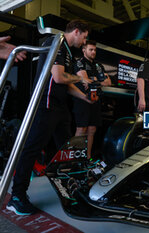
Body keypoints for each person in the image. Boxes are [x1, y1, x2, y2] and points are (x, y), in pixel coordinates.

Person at [7, 20, 92, 215]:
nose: (84, 41)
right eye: (84, 37)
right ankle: (17, 196)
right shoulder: (57, 42)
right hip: (45, 105)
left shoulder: (68, 52)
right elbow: (58, 77)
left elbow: (65, 84)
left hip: (60, 107)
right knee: (32, 149)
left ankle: (71, 189)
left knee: (67, 150)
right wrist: (80, 77)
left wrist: (84, 98)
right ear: (77, 31)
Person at [73, 40, 111, 159]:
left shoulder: (99, 65)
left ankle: (87, 157)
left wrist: (93, 80)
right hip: (82, 99)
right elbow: (85, 80)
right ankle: (75, 158)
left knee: (92, 129)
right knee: (81, 129)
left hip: (96, 100)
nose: (93, 52)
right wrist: (96, 81)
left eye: (94, 50)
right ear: (84, 50)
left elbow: (108, 82)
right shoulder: (79, 63)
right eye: (91, 49)